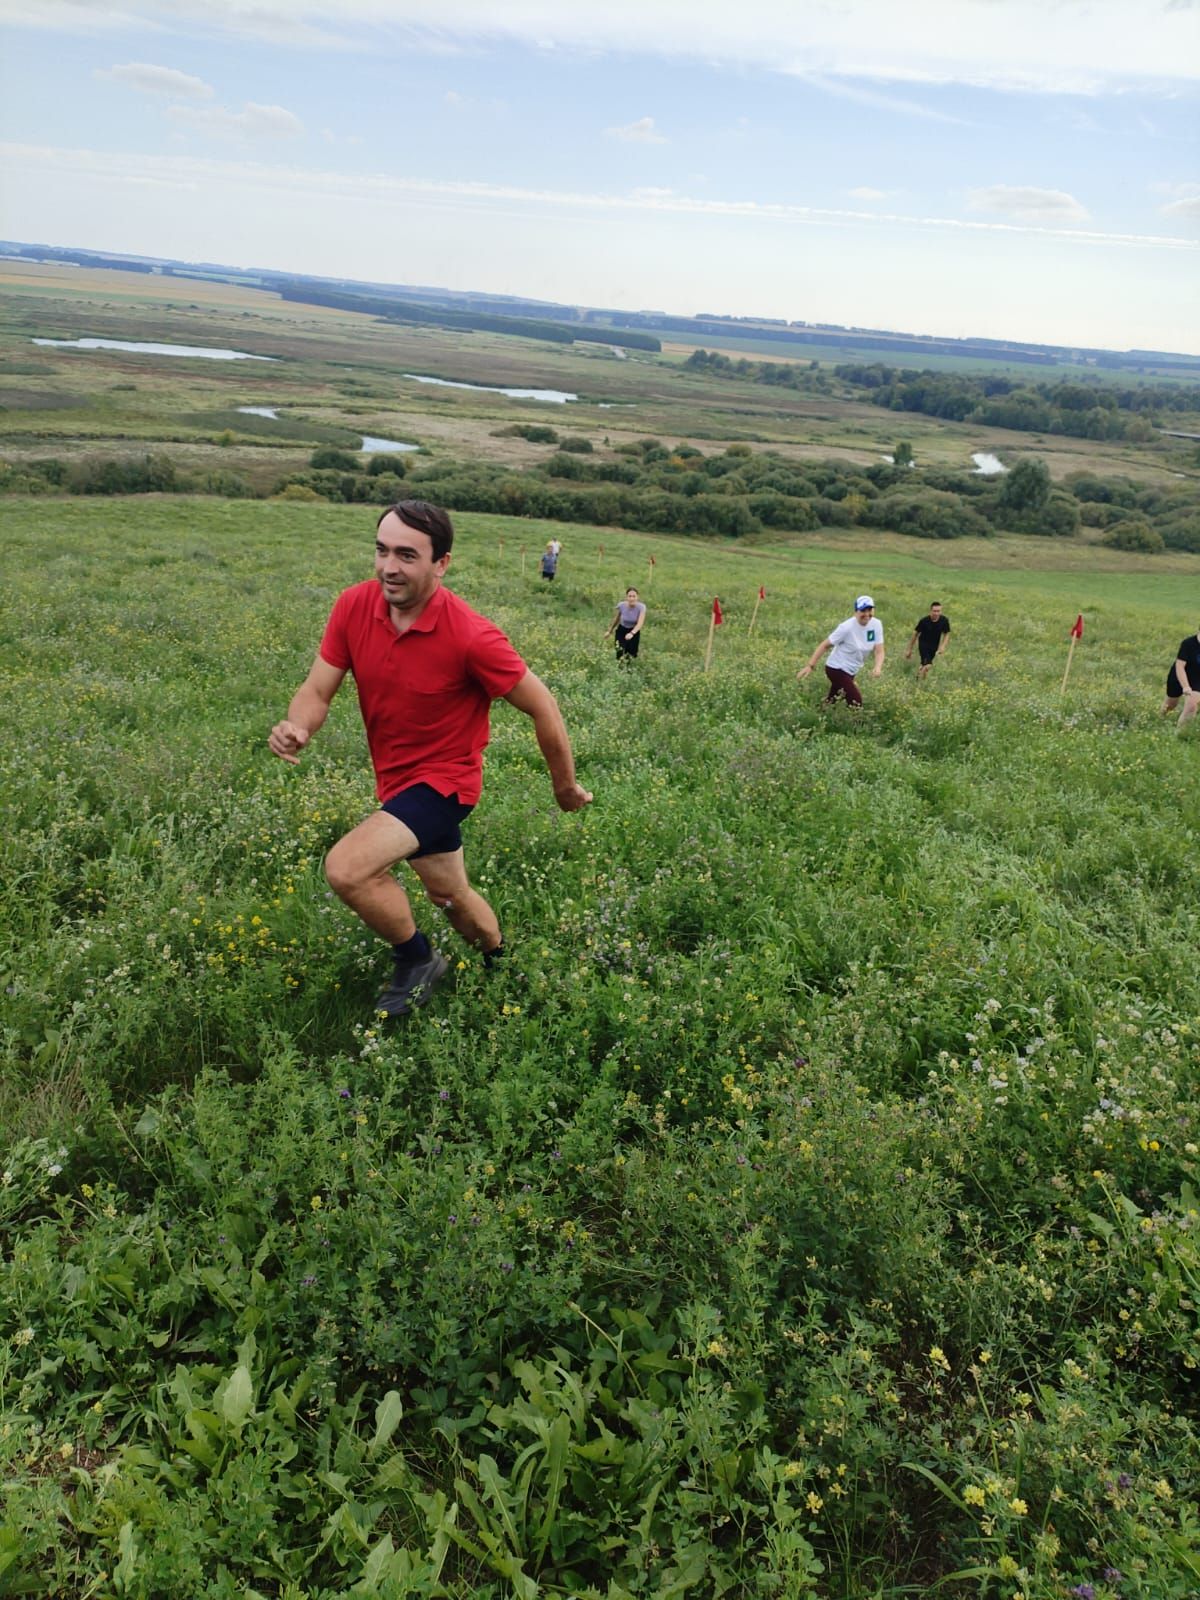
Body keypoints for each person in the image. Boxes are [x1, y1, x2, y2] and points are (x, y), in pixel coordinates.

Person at [269, 499, 592, 1016]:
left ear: (441, 562)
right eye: (381, 551)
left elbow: (543, 705)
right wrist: (298, 726)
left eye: (406, 555)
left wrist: (563, 786)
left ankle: (417, 959)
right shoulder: (354, 607)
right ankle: (500, 965)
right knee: (452, 895)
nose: (388, 567)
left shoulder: (471, 636)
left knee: (347, 868)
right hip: (397, 783)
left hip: (447, 784)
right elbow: (317, 688)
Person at [797, 595, 884, 706]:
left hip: (852, 670)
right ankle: (858, 723)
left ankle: (817, 714)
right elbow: (825, 645)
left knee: (833, 699)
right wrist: (810, 666)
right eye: (863, 610)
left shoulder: (876, 625)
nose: (867, 614)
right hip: (836, 668)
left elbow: (879, 651)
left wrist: (877, 667)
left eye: (870, 610)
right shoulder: (846, 627)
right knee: (856, 702)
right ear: (856, 612)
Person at [1161, 628, 1200, 732]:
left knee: (1192, 704)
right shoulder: (1188, 644)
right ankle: (1161, 719)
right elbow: (1180, 666)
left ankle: (1180, 734)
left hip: (1198, 678)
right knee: (1170, 705)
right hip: (1179, 675)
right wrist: (1185, 686)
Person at [906, 601, 951, 678]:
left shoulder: (944, 620)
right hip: (923, 644)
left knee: (924, 665)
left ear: (941, 611)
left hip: (934, 645)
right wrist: (909, 649)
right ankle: (918, 679)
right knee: (928, 664)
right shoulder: (924, 621)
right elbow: (915, 634)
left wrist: (943, 646)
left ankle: (919, 680)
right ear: (930, 611)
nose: (936, 613)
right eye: (934, 611)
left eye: (938, 611)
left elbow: (947, 633)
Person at [604, 586, 647, 658]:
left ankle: (628, 667)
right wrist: (609, 631)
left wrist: (632, 633)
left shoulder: (641, 607)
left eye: (634, 596)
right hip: (622, 630)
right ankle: (619, 667)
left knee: (631, 654)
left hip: (634, 631)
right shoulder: (622, 605)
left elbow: (640, 623)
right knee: (619, 650)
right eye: (630, 596)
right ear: (627, 597)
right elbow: (616, 619)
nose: (632, 598)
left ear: (637, 597)